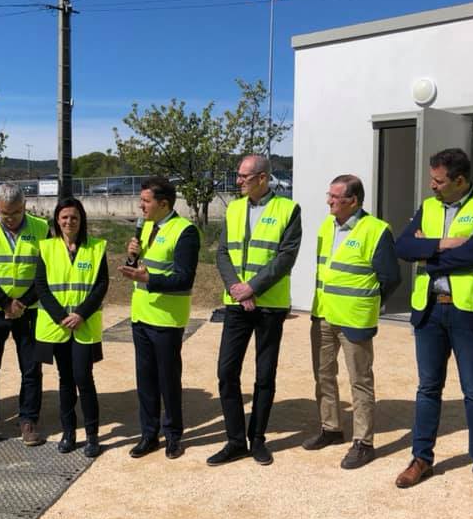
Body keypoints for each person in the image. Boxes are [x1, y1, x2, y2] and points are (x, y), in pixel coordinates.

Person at [393, 148, 473, 504]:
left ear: (460, 181)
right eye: (432, 178)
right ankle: (421, 458)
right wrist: (444, 244)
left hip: (469, 311)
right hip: (430, 309)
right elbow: (401, 246)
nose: (432, 186)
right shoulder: (428, 207)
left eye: (439, 180)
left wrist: (426, 253)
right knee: (428, 388)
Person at [206, 155, 301, 467]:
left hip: (269, 306)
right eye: (238, 176)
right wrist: (237, 287)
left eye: (243, 176)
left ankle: (257, 439)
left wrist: (254, 288)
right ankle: (235, 440)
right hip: (236, 304)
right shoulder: (234, 209)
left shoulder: (288, 209)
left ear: (262, 178)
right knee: (226, 372)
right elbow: (223, 252)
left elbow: (286, 257)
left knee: (265, 374)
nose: (238, 182)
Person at [303, 174, 400, 469]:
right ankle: (331, 428)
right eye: (329, 195)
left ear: (353, 201)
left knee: (360, 381)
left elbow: (390, 278)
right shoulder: (326, 226)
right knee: (324, 376)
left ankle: (364, 442)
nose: (329, 201)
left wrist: (365, 303)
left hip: (354, 319)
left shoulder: (376, 230)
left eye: (335, 197)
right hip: (323, 314)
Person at [118, 176, 200, 460]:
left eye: (145, 201)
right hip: (141, 317)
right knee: (146, 381)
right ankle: (148, 435)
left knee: (168, 381)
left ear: (163, 203)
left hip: (166, 319)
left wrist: (148, 278)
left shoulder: (185, 231)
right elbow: (139, 268)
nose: (140, 206)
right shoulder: (147, 226)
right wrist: (132, 258)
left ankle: (174, 435)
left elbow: (184, 278)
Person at [0, 182, 48, 448]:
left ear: (24, 206)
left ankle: (28, 420)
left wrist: (23, 302)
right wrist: (4, 302)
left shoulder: (41, 228)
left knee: (31, 369)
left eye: (15, 212)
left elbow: (45, 270)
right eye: (4, 214)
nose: (10, 219)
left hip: (29, 311)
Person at [34, 197, 108, 458]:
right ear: (57, 219)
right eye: (64, 217)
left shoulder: (96, 248)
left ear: (81, 220)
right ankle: (68, 433)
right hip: (58, 327)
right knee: (65, 380)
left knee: (83, 378)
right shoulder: (46, 248)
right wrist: (60, 316)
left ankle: (92, 436)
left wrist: (80, 314)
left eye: (74, 217)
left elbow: (101, 286)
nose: (69, 221)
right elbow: (41, 287)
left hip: (84, 326)